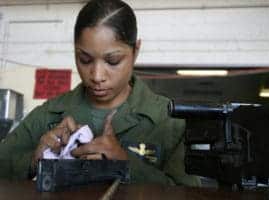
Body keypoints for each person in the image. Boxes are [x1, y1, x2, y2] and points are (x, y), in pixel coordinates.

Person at [0, 0, 200, 186]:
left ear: (135, 51)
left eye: (112, 61)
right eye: (85, 59)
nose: (96, 76)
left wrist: (126, 165)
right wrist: (34, 161)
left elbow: (189, 193)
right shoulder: (48, 115)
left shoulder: (169, 121)